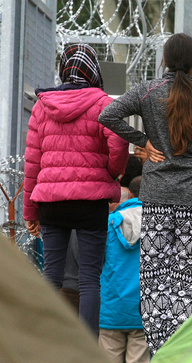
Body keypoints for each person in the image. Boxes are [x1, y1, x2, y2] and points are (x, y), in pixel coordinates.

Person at [98, 33, 192, 355]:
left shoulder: (147, 91)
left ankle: (159, 352)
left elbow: (108, 115)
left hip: (156, 196)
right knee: (190, 278)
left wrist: (143, 141)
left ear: (164, 61)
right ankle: (185, 354)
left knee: (156, 277)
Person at [23, 44, 129, 336]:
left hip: (52, 203)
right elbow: (119, 144)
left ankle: (48, 348)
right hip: (91, 202)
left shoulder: (42, 105)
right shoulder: (103, 104)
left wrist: (30, 212)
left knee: (52, 276)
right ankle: (89, 357)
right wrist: (111, 175)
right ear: (93, 70)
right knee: (89, 280)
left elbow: (32, 162)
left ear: (64, 69)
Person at [99, 178, 150, 363]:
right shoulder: (159, 226)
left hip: (110, 310)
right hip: (143, 310)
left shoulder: (109, 223)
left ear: (130, 195)